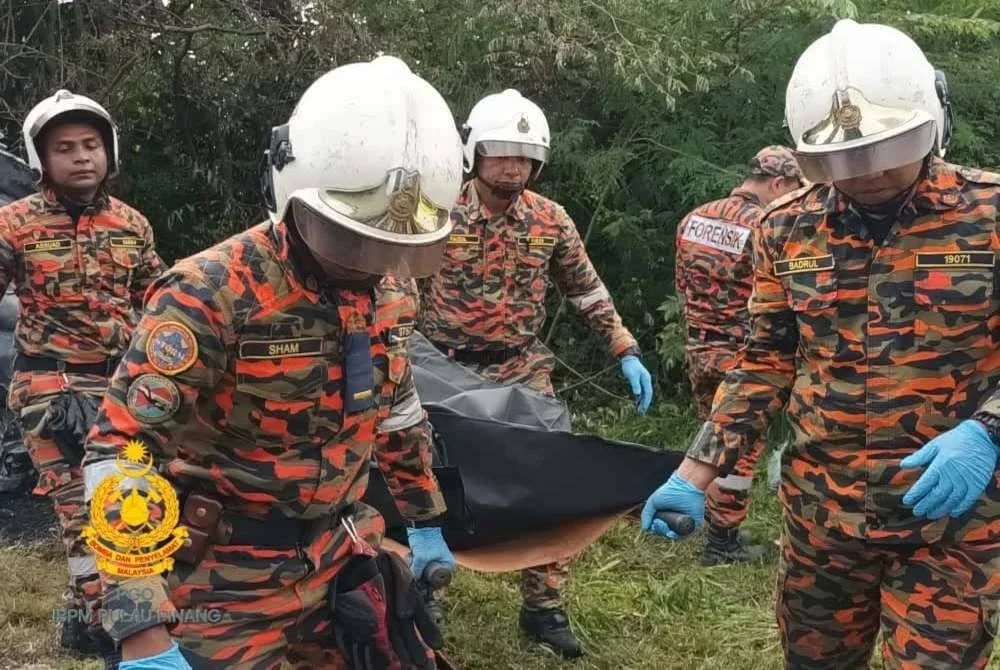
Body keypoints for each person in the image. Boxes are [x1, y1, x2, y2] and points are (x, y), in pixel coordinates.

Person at [643, 18, 1000, 669]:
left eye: (883, 151)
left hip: (955, 521)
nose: (863, 173)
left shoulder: (991, 215)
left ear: (930, 121)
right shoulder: (786, 228)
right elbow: (762, 365)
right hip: (823, 518)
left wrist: (990, 429)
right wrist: (693, 472)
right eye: (839, 158)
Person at [82, 56, 461, 669]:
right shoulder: (211, 291)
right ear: (291, 193)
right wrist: (141, 626)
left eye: (394, 248)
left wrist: (425, 521)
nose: (371, 261)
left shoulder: (392, 290)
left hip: (341, 552)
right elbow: (120, 453)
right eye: (352, 237)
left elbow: (396, 416)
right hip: (220, 581)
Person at [418, 88, 653, 658]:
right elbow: (395, 279)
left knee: (554, 481)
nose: (513, 165)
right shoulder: (436, 210)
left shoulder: (550, 220)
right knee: (426, 483)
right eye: (501, 152)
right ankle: (422, 599)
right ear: (474, 153)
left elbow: (585, 288)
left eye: (525, 155)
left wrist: (624, 348)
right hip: (440, 372)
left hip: (521, 369)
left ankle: (543, 608)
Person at [0, 89, 165, 658]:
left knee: (122, 502)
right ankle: (115, 635)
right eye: (64, 148)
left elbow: (160, 303)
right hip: (49, 386)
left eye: (90, 144)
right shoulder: (13, 224)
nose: (80, 157)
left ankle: (82, 614)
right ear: (41, 158)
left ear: (109, 150)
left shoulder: (133, 224)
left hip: (119, 387)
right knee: (81, 509)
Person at [674, 145, 804, 565]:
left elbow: (682, 285)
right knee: (740, 447)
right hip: (744, 356)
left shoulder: (694, 218)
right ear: (778, 183)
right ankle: (721, 542)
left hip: (699, 348)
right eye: (794, 188)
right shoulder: (768, 225)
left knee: (709, 438)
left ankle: (702, 519)